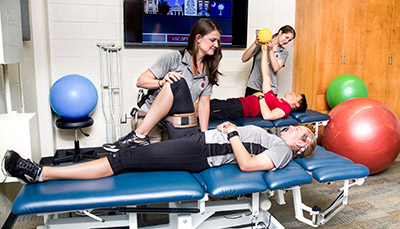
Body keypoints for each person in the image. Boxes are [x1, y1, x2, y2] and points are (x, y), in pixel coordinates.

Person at [2, 122, 317, 184]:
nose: (294, 130)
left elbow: (248, 165)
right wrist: (228, 131)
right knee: (126, 159)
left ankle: (40, 173)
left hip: (200, 152)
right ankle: (44, 172)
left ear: (301, 145)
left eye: (302, 134)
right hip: (200, 143)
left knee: (124, 159)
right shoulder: (272, 137)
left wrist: (232, 132)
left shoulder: (282, 151)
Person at [103, 18, 223, 152]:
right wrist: (161, 82)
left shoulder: (208, 70)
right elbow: (140, 81)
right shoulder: (174, 58)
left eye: (218, 41)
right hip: (149, 119)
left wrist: (204, 135)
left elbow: (204, 105)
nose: (216, 45)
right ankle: (138, 136)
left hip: (173, 123)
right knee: (149, 159)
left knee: (172, 159)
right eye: (212, 40)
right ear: (198, 38)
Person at [210, 43, 306, 121]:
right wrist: (264, 51)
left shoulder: (285, 108)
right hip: (238, 102)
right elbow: (266, 74)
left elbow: (268, 116)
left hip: (239, 109)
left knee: (206, 110)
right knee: (208, 104)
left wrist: (261, 96)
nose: (293, 93)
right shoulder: (274, 97)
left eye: (296, 96)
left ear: (296, 104)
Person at [242, 25, 296, 97]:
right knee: (248, 108)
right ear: (280, 32)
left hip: (270, 89)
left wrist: (271, 51)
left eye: (289, 40)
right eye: (286, 37)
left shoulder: (283, 52)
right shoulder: (262, 44)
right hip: (253, 86)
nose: (286, 41)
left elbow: (275, 68)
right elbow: (244, 59)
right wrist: (255, 43)